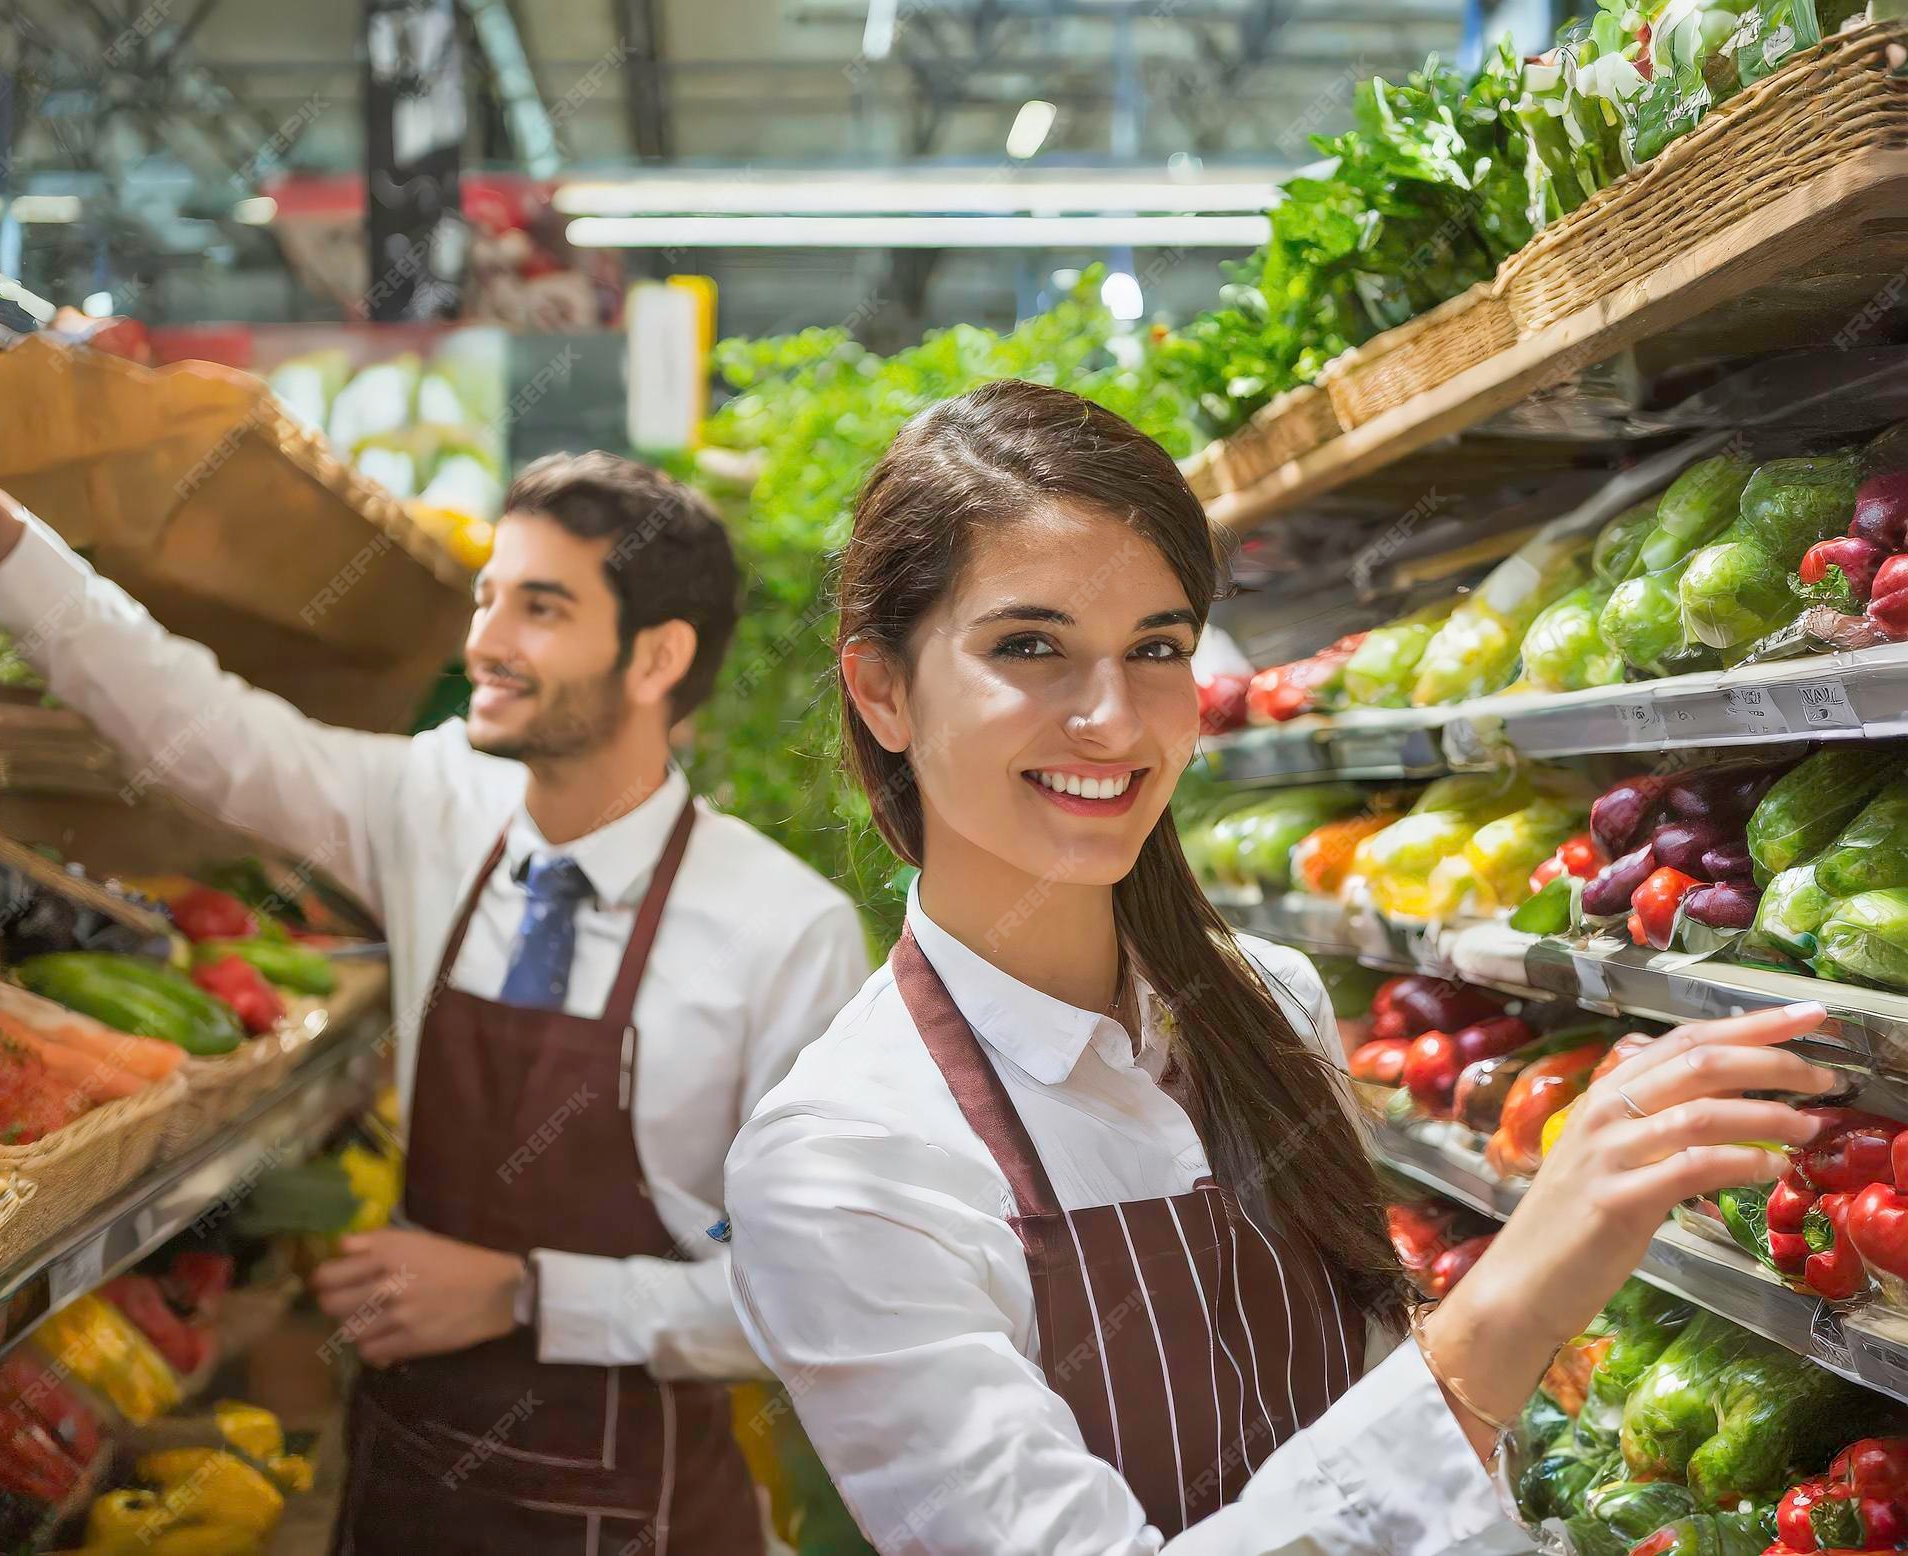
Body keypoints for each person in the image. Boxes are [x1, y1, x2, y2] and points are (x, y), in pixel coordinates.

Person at [722, 380, 1836, 1556]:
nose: (1112, 716)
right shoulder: (841, 1161)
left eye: (1156, 647)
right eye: (1029, 645)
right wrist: (1518, 1295)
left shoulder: (1264, 1000)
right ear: (881, 689)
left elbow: (1381, 1440)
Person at [0, 430, 870, 1556]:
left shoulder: (783, 929)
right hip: (412, 1475)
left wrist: (523, 1292)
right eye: (487, 597)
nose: (485, 642)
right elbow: (192, 720)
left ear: (656, 658)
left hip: (640, 1504)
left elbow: (818, 1301)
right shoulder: (438, 801)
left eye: (539, 610)